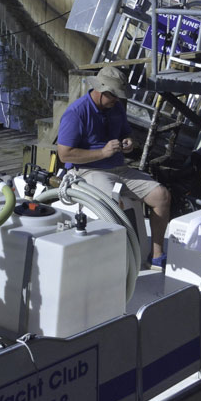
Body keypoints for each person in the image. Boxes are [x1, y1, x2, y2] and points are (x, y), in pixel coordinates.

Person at [56, 65, 172, 266]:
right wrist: (102, 152)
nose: (118, 100)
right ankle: (122, 261)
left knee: (161, 196)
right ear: (101, 91)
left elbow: (127, 134)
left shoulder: (115, 107)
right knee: (114, 205)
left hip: (120, 168)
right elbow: (64, 154)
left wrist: (129, 143)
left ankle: (156, 255)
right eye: (114, 95)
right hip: (88, 170)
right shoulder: (76, 113)